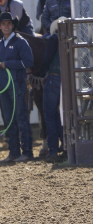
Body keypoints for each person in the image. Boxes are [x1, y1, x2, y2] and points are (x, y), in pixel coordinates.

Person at [0, 12, 34, 163]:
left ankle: (27, 152)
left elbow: (28, 62)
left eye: (9, 24)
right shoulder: (0, 44)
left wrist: (5, 64)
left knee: (21, 117)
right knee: (9, 119)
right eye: (3, 24)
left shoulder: (21, 42)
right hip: (4, 85)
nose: (6, 26)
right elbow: (0, 63)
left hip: (17, 84)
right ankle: (14, 152)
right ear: (0, 27)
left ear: (12, 25)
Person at [38, 17, 66, 161]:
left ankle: (53, 150)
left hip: (54, 78)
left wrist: (41, 74)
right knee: (64, 115)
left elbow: (47, 58)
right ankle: (67, 147)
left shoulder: (54, 39)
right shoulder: (72, 40)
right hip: (69, 81)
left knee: (49, 114)